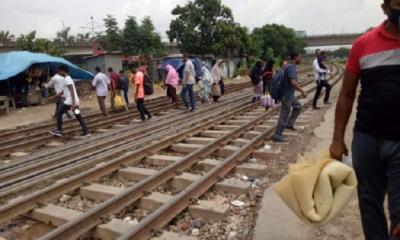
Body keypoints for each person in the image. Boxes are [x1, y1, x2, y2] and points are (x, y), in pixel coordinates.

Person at [330, 1, 400, 239]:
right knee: (370, 206)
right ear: (385, 8)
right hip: (366, 139)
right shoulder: (363, 44)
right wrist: (337, 140)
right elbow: (347, 95)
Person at [272, 52, 307, 143]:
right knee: (284, 114)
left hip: (288, 94)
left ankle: (289, 124)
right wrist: (302, 91)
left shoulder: (287, 66)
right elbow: (293, 82)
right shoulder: (291, 67)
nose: (301, 59)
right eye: (300, 57)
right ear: (295, 58)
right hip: (287, 95)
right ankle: (277, 135)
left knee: (298, 106)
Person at [49, 65, 90, 137]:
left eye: (59, 71)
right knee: (78, 116)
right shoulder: (67, 79)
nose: (59, 72)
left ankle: (59, 130)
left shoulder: (67, 79)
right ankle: (86, 131)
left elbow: (72, 91)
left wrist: (73, 104)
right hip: (74, 101)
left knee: (59, 113)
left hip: (70, 101)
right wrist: (53, 97)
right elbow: (63, 92)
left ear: (63, 71)